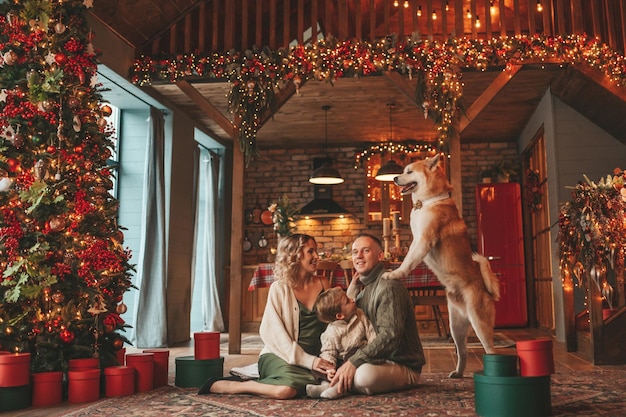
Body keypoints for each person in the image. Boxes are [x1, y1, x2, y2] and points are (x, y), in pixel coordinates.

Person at [198, 233, 335, 399]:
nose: (316, 256)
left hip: (315, 356)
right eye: (310, 251)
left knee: (336, 381)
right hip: (280, 354)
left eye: (316, 251)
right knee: (286, 390)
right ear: (294, 255)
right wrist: (310, 362)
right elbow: (274, 334)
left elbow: (336, 319)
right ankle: (237, 386)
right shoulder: (279, 288)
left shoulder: (323, 283)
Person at [329, 233, 425, 396]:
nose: (358, 256)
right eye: (354, 252)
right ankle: (338, 382)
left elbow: (390, 336)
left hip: (402, 364)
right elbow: (347, 320)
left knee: (363, 378)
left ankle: (338, 384)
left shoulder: (389, 286)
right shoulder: (365, 287)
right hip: (376, 360)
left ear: (380, 255)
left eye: (365, 251)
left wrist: (353, 362)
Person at [305, 286, 377, 399]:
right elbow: (328, 353)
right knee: (318, 365)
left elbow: (371, 333)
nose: (353, 300)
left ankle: (339, 388)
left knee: (354, 353)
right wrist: (329, 369)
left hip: (356, 357)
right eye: (348, 301)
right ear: (339, 316)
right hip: (339, 360)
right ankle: (325, 385)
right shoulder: (331, 332)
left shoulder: (360, 315)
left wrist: (374, 350)